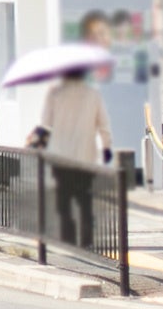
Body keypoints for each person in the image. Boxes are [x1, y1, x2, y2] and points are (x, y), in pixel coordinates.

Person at [38, 68, 114, 248]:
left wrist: (41, 145)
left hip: (61, 156)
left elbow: (45, 123)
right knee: (85, 198)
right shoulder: (93, 94)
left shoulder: (54, 93)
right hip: (85, 155)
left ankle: (68, 237)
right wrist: (106, 146)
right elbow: (103, 124)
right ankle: (87, 239)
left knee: (63, 199)